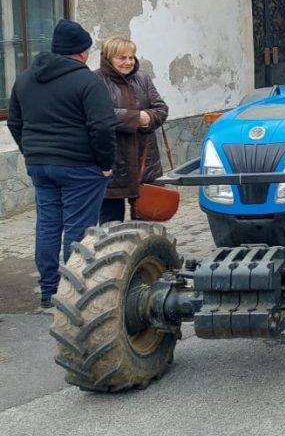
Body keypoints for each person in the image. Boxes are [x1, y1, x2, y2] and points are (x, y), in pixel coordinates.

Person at [7, 19, 115, 308]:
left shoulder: (25, 78)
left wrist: (31, 151)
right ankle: (73, 292)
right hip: (80, 166)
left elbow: (15, 122)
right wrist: (105, 163)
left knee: (47, 225)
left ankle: (48, 291)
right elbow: (102, 127)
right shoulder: (87, 81)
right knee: (78, 228)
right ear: (81, 52)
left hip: (41, 165)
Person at [96, 37, 170, 222]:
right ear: (108, 58)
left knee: (146, 220)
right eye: (122, 58)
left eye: (131, 57)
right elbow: (97, 114)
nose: (129, 62)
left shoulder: (142, 79)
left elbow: (161, 109)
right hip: (113, 164)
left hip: (144, 162)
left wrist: (149, 118)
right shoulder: (95, 80)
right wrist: (135, 118)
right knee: (111, 225)